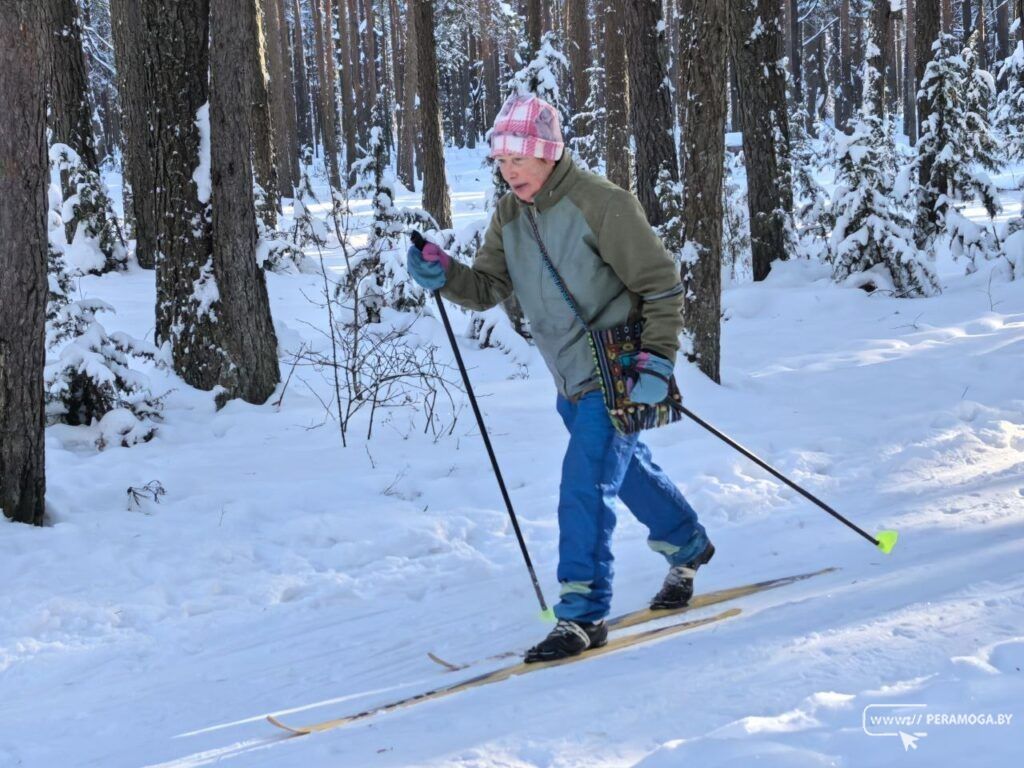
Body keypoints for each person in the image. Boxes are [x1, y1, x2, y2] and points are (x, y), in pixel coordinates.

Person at [407, 94, 713, 663]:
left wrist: (658, 360)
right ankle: (689, 544)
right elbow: (486, 288)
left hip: (619, 372)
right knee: (624, 472)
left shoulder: (603, 204)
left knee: (584, 483)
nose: (510, 170)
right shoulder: (511, 216)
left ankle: (581, 614)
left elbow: (662, 285)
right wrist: (444, 272)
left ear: (549, 153)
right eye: (501, 160)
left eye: (520, 157)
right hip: (569, 378)